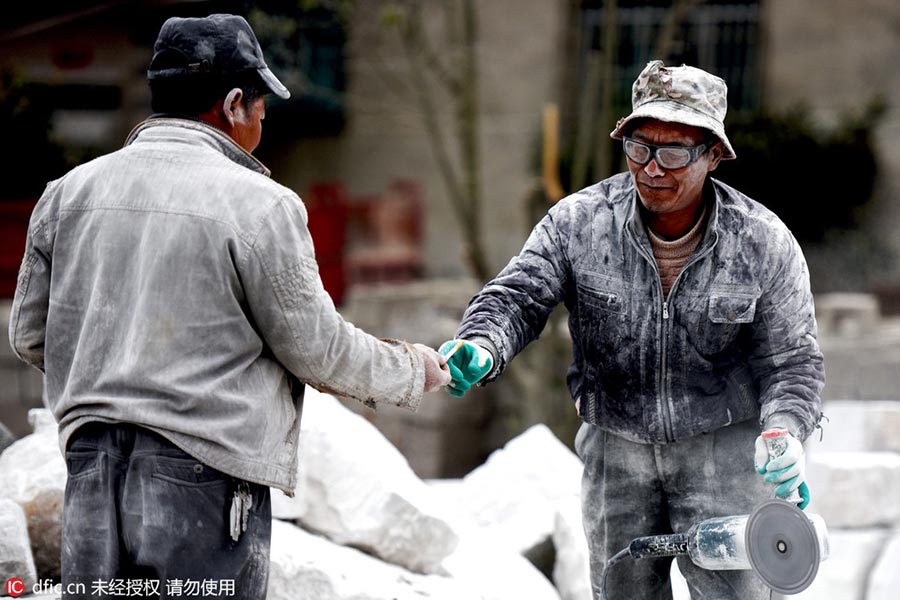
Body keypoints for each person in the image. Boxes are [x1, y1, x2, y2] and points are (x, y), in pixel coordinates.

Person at [8, 13, 450, 600]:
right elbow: (318, 351)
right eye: (261, 109)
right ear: (234, 103)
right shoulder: (261, 205)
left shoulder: (67, 193)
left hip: (91, 470)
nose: (262, 123)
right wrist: (414, 369)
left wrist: (111, 368)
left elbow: (29, 334)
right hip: (202, 482)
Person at [439, 60, 824, 599]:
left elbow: (792, 361)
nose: (652, 169)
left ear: (714, 154)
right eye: (639, 148)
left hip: (725, 458)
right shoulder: (580, 223)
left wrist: (784, 430)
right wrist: (482, 343)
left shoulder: (762, 241)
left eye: (673, 153)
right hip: (615, 458)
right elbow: (518, 295)